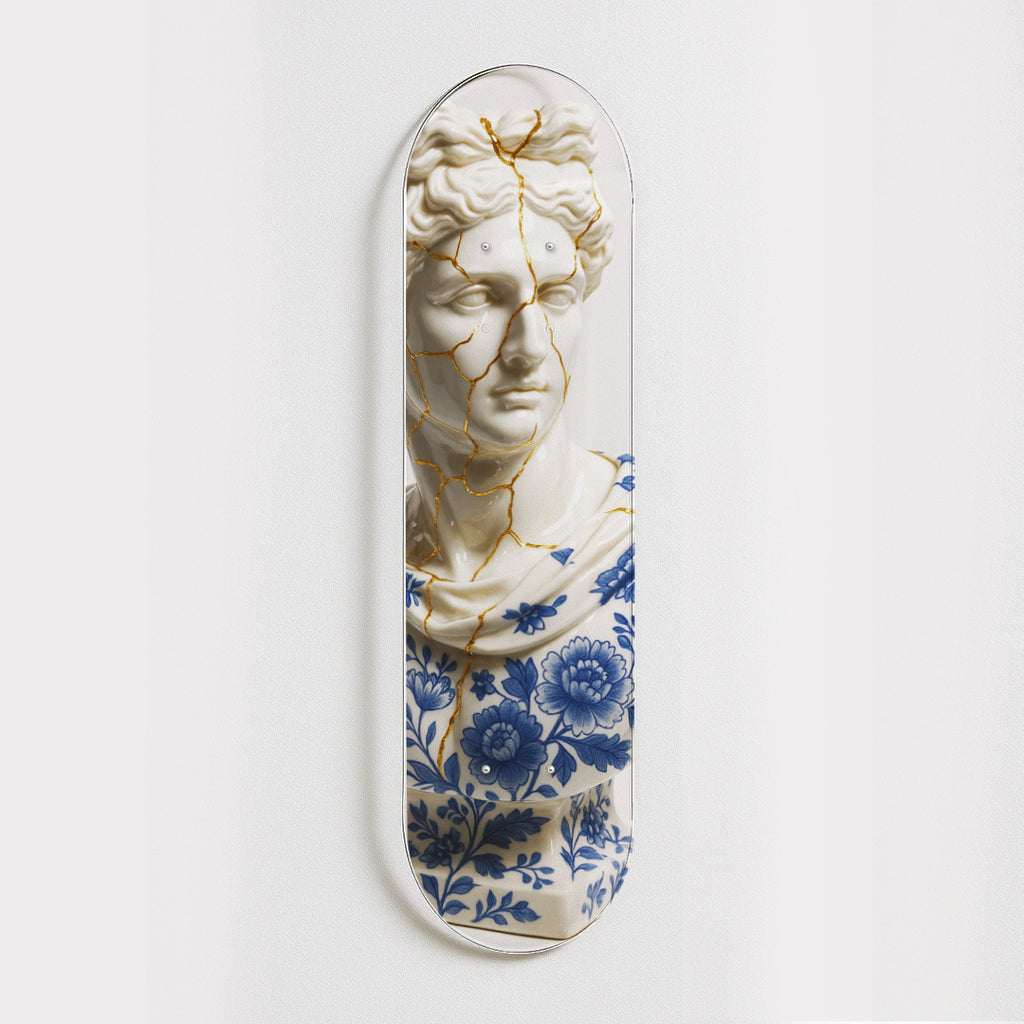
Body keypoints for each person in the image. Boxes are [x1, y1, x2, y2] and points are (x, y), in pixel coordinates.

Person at [404, 101, 633, 941]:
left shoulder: (637, 554)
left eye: (559, 294)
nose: (531, 345)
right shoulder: (349, 564)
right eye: (477, 296)